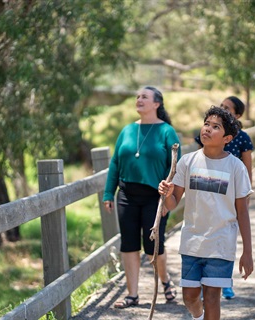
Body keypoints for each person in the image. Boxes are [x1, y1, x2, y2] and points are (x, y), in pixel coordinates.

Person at [159, 106, 253, 320]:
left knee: (212, 297)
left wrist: (247, 251)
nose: (208, 129)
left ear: (227, 138)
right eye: (206, 124)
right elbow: (173, 203)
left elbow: (242, 212)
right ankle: (198, 316)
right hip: (192, 240)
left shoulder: (236, 167)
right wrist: (166, 193)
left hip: (221, 243)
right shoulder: (187, 162)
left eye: (215, 127)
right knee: (190, 297)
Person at [103, 86, 182, 309]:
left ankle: (165, 280)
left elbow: (176, 167)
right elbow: (115, 163)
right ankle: (133, 295)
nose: (139, 99)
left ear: (157, 104)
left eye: (144, 97)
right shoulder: (127, 130)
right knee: (128, 245)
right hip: (126, 194)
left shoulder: (167, 131)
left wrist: (169, 199)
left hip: (155, 197)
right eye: (137, 96)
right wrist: (109, 192)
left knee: (153, 247)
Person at [194, 96, 254, 299]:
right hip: (207, 186)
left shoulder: (243, 138)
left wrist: (245, 195)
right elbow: (198, 159)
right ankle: (203, 282)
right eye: (222, 106)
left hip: (231, 191)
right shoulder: (208, 134)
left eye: (227, 108)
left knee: (226, 238)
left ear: (237, 116)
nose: (223, 109)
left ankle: (224, 281)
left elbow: (247, 167)